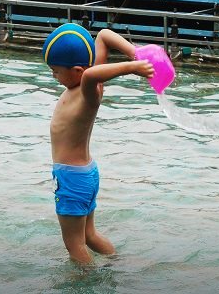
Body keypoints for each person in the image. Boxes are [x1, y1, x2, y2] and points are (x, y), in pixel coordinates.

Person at [42, 23, 154, 265]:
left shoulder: (88, 92)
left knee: (75, 246)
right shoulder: (86, 82)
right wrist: (136, 53)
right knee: (89, 235)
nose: (54, 76)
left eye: (56, 71)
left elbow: (91, 74)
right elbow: (103, 36)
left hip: (72, 178)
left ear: (77, 70)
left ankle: (87, 282)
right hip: (86, 174)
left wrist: (132, 67)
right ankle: (118, 264)